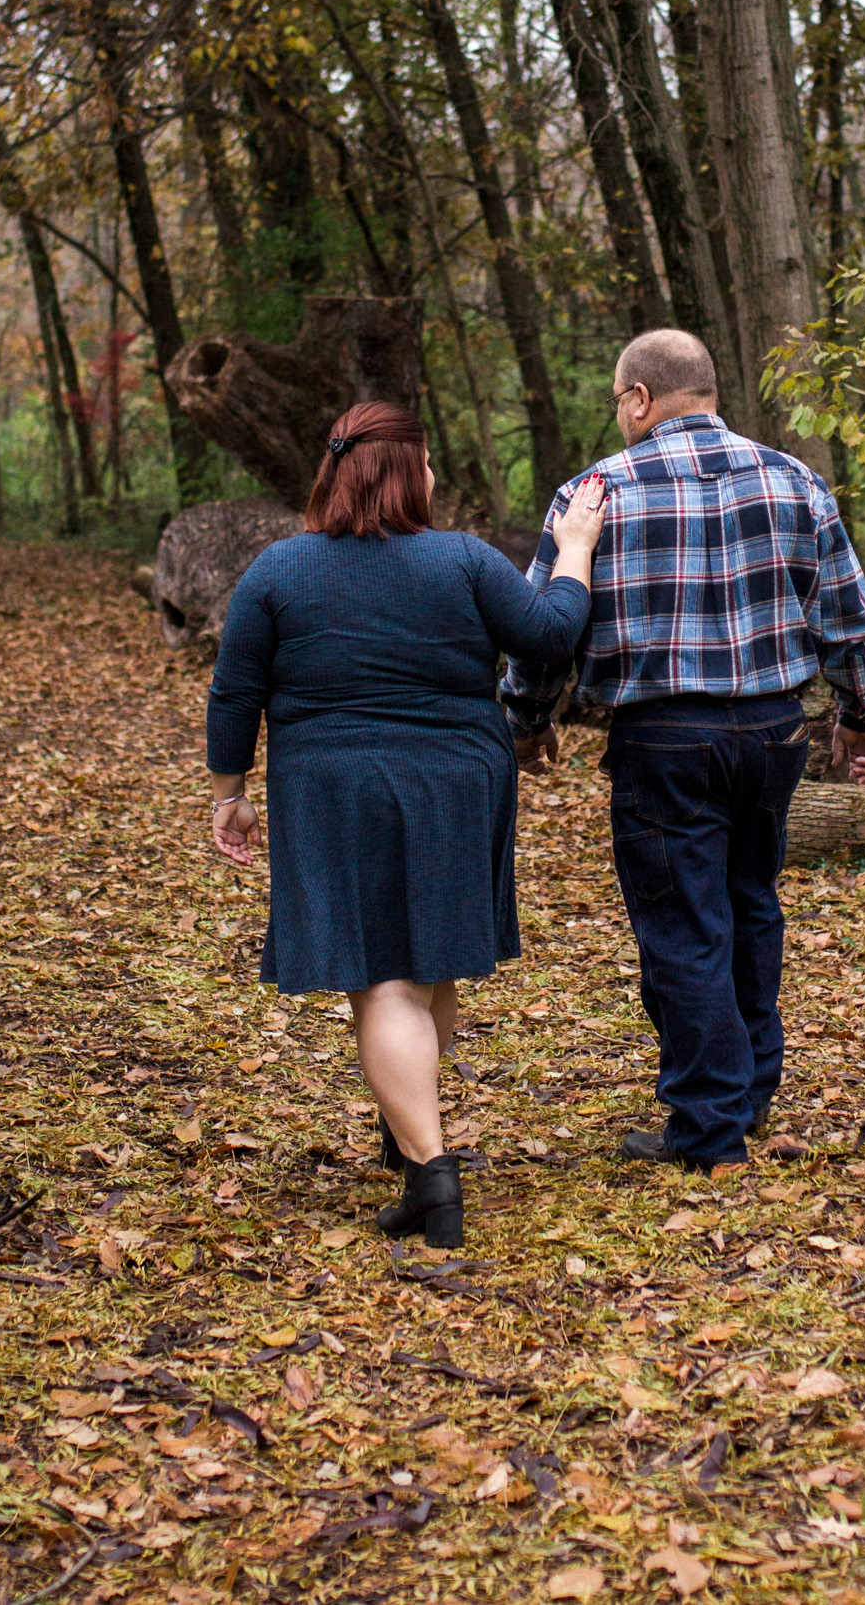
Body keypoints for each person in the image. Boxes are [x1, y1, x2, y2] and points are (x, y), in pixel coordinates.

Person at [206, 401, 607, 1248]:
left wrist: (228, 791)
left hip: (334, 784)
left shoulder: (278, 570)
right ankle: (411, 1137)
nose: (434, 478)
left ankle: (429, 1171)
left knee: (389, 974)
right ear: (404, 473)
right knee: (424, 961)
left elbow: (235, 690)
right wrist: (574, 551)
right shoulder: (461, 559)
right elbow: (548, 633)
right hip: (457, 780)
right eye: (426, 464)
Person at [500, 330, 865, 1174]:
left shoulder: (591, 494)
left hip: (665, 737)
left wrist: (528, 724)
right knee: (750, 902)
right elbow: (849, 618)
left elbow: (539, 637)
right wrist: (862, 713)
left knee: (683, 926)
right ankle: (746, 1094)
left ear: (639, 397)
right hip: (773, 731)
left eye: (618, 401)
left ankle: (709, 1131)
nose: (619, 415)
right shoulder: (794, 480)